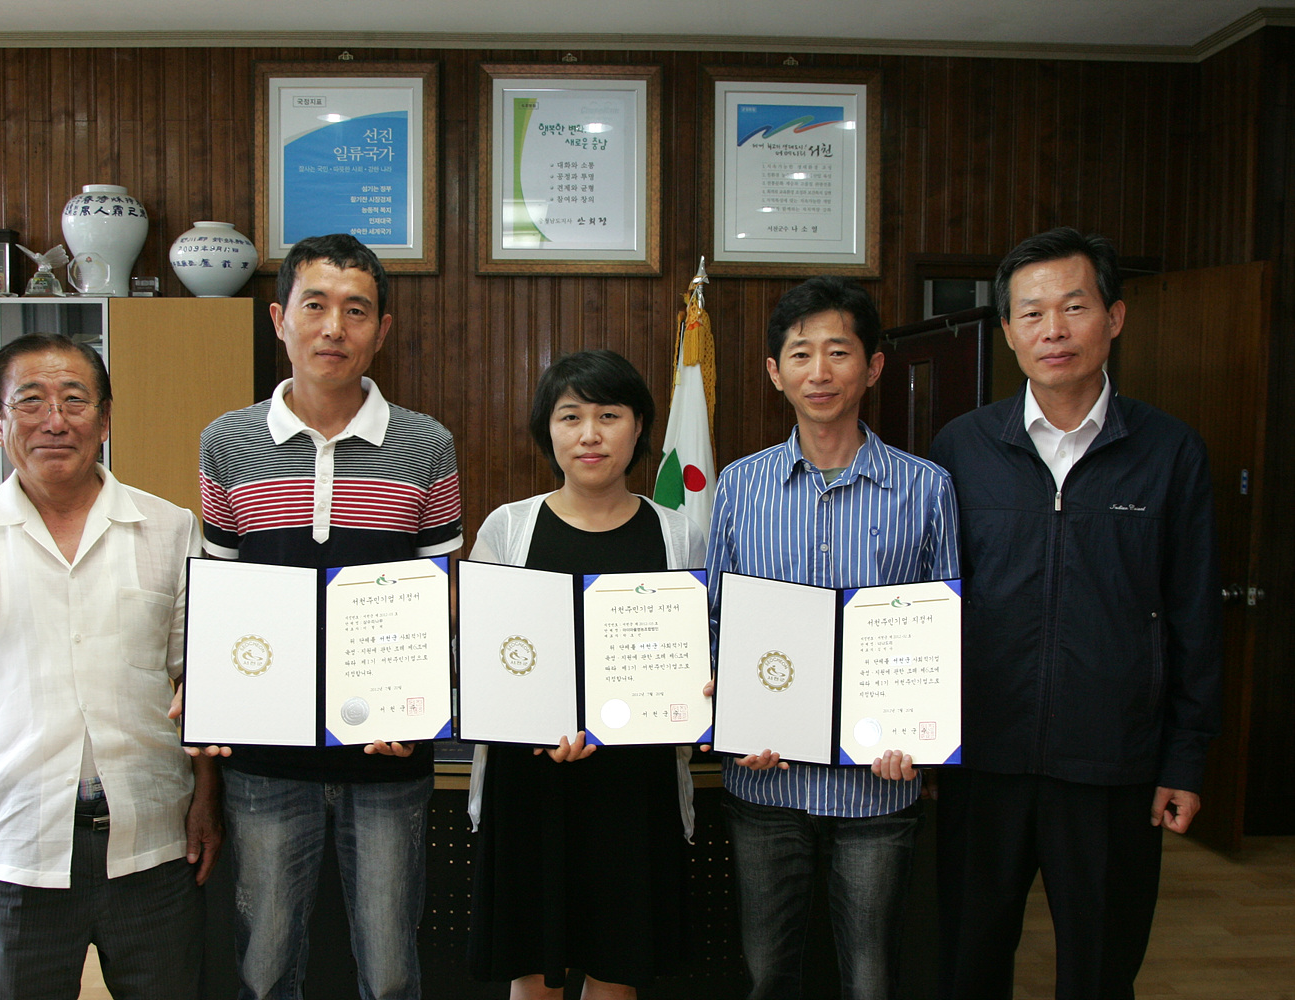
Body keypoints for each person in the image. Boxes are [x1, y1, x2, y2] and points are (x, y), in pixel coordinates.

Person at [0, 333, 221, 1000]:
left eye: (75, 400)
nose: (55, 420)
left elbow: (200, 678)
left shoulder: (170, 528)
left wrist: (207, 799)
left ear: (106, 419)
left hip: (153, 838)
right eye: (30, 401)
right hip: (15, 846)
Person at [929, 227, 1221, 999]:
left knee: (1098, 969)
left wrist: (1184, 759)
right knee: (966, 961)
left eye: (1074, 306)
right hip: (980, 762)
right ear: (1008, 333)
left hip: (1112, 765)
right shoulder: (961, 447)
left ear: (1115, 317)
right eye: (1031, 313)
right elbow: (925, 600)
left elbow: (1194, 612)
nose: (1053, 330)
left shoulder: (1170, 452)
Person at [193, 233, 463, 1000]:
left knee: (388, 963)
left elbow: (437, 591)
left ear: (382, 330)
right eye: (314, 306)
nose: (333, 328)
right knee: (267, 956)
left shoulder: (426, 445)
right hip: (267, 759)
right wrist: (215, 693)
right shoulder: (228, 443)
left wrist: (417, 700)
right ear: (279, 318)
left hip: (386, 756)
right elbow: (224, 594)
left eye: (356, 311)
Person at [705, 276, 958, 1000]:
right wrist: (735, 720)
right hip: (766, 776)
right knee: (767, 972)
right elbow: (718, 623)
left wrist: (923, 736)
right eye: (801, 354)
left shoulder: (926, 488)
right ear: (774, 372)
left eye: (839, 352)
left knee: (872, 978)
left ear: (873, 366)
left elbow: (939, 633)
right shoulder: (739, 486)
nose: (820, 372)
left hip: (878, 787)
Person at [466, 349, 702, 1000]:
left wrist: (702, 691)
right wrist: (532, 722)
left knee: (615, 975)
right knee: (532, 978)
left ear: (640, 429)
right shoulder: (509, 528)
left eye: (610, 415)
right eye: (570, 416)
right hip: (529, 778)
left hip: (634, 782)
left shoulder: (679, 535)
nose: (590, 434)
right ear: (548, 430)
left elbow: (697, 655)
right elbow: (481, 659)